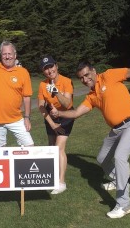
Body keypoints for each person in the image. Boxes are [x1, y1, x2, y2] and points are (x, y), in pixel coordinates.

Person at [49, 61, 130, 218]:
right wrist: (59, 114)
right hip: (116, 129)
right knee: (102, 158)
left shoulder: (109, 75)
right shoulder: (92, 96)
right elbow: (77, 112)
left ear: (94, 71)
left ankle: (124, 204)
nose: (85, 79)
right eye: (81, 78)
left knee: (120, 157)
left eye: (87, 75)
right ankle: (118, 179)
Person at [38, 56, 74, 194]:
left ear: (56, 66)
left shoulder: (66, 81)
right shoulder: (42, 85)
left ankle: (61, 182)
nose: (49, 70)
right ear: (43, 71)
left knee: (59, 148)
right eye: (46, 69)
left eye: (51, 66)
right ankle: (52, 178)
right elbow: (41, 106)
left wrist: (55, 91)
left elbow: (67, 103)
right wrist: (52, 124)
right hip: (50, 117)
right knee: (51, 147)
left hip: (66, 116)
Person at [0, 41, 34, 147]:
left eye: (9, 54)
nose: (7, 57)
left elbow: (26, 97)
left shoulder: (23, 72)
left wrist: (27, 117)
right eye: (4, 54)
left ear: (15, 55)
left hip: (16, 119)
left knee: (30, 148)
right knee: (0, 155)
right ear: (1, 55)